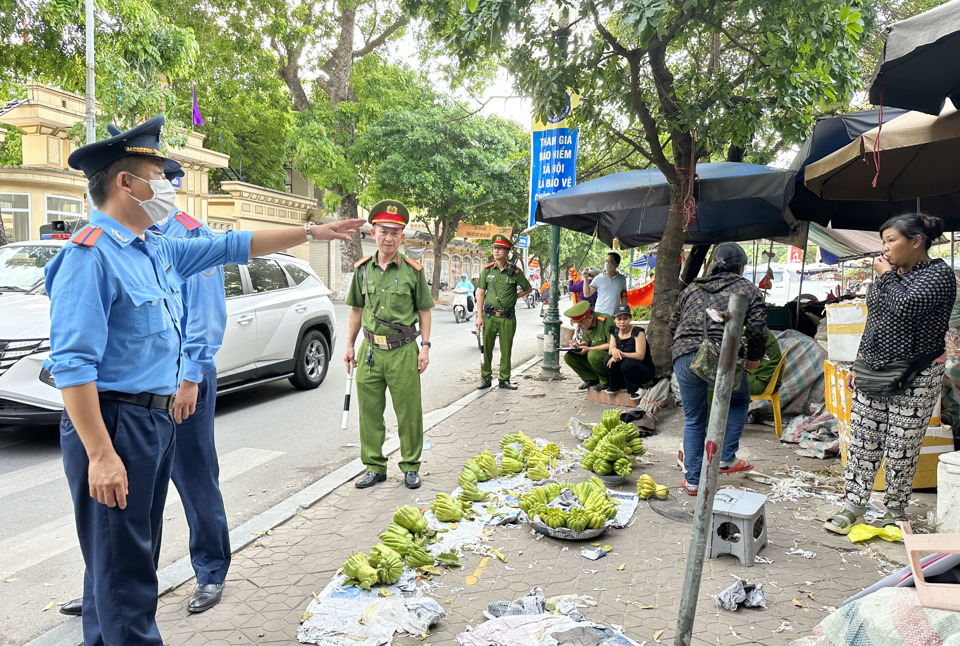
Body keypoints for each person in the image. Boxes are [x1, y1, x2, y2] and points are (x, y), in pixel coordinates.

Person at [44, 115, 364, 646]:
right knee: (123, 580)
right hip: (113, 424)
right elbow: (73, 367)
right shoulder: (90, 257)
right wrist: (100, 454)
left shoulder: (157, 248)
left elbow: (233, 245)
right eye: (157, 173)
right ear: (126, 183)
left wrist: (310, 231)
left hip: (153, 419)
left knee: (126, 567)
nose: (168, 185)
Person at [824, 214, 955, 535]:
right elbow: (875, 321)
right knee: (863, 442)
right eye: (883, 241)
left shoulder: (938, 274)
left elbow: (907, 307)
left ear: (916, 242)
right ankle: (853, 505)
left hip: (917, 373)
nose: (884, 248)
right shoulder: (892, 274)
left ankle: (894, 510)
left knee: (902, 444)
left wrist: (883, 278)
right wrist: (858, 363)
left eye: (891, 240)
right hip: (874, 367)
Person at [345, 200, 434, 490]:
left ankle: (410, 466)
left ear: (402, 237)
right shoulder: (362, 271)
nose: (389, 237)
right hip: (369, 351)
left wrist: (425, 346)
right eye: (384, 231)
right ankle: (374, 466)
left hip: (403, 351)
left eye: (395, 232)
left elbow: (424, 311)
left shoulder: (413, 270)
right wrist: (348, 344)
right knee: (369, 412)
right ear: (374, 232)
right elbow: (356, 310)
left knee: (408, 412)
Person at [669, 242, 767, 496]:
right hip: (719, 354)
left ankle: (692, 481)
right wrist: (754, 358)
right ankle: (725, 457)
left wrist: (679, 351)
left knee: (694, 418)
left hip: (685, 352)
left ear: (713, 262)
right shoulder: (748, 289)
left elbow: (673, 325)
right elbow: (757, 330)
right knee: (738, 401)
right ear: (741, 267)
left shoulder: (692, 287)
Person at [475, 234, 532, 390]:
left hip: (507, 317)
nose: (496, 251)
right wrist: (479, 317)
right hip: (490, 317)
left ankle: (504, 379)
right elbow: (480, 293)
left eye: (500, 249)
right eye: (495, 248)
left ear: (507, 252)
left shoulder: (515, 272)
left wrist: (515, 296)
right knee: (486, 348)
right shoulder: (487, 271)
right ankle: (485, 378)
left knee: (506, 349)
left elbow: (528, 288)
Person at [604, 304, 655, 397]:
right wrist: (615, 350)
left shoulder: (638, 332)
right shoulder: (614, 331)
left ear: (630, 319)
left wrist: (620, 355)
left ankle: (636, 389)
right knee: (607, 359)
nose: (622, 322)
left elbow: (640, 355)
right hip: (625, 365)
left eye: (625, 318)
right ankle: (617, 386)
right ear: (614, 320)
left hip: (642, 369)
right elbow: (610, 350)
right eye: (619, 319)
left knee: (627, 363)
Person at [563, 301, 612, 390]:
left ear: (589, 318)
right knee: (569, 356)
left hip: (608, 358)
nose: (579, 326)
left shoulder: (605, 320)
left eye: (580, 323)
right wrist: (578, 345)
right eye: (577, 324)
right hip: (594, 356)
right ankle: (591, 379)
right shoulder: (586, 324)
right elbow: (586, 341)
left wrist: (589, 349)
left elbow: (611, 344)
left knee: (592, 354)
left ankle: (605, 381)